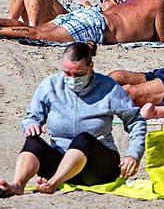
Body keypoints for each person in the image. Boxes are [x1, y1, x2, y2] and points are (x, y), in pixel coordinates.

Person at [0, 43, 144, 195]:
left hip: (96, 168)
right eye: (67, 74)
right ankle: (17, 185)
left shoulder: (109, 88)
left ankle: (52, 184)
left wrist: (133, 154)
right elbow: (32, 116)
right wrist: (31, 124)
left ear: (91, 67)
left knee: (82, 139)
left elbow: (135, 121)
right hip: (61, 164)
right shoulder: (51, 85)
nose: (72, 79)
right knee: (33, 141)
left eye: (79, 74)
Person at [0, 0, 164, 44]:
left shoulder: (132, 0)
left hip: (90, 15)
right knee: (36, 34)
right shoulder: (157, 3)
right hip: (97, 25)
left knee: (37, 29)